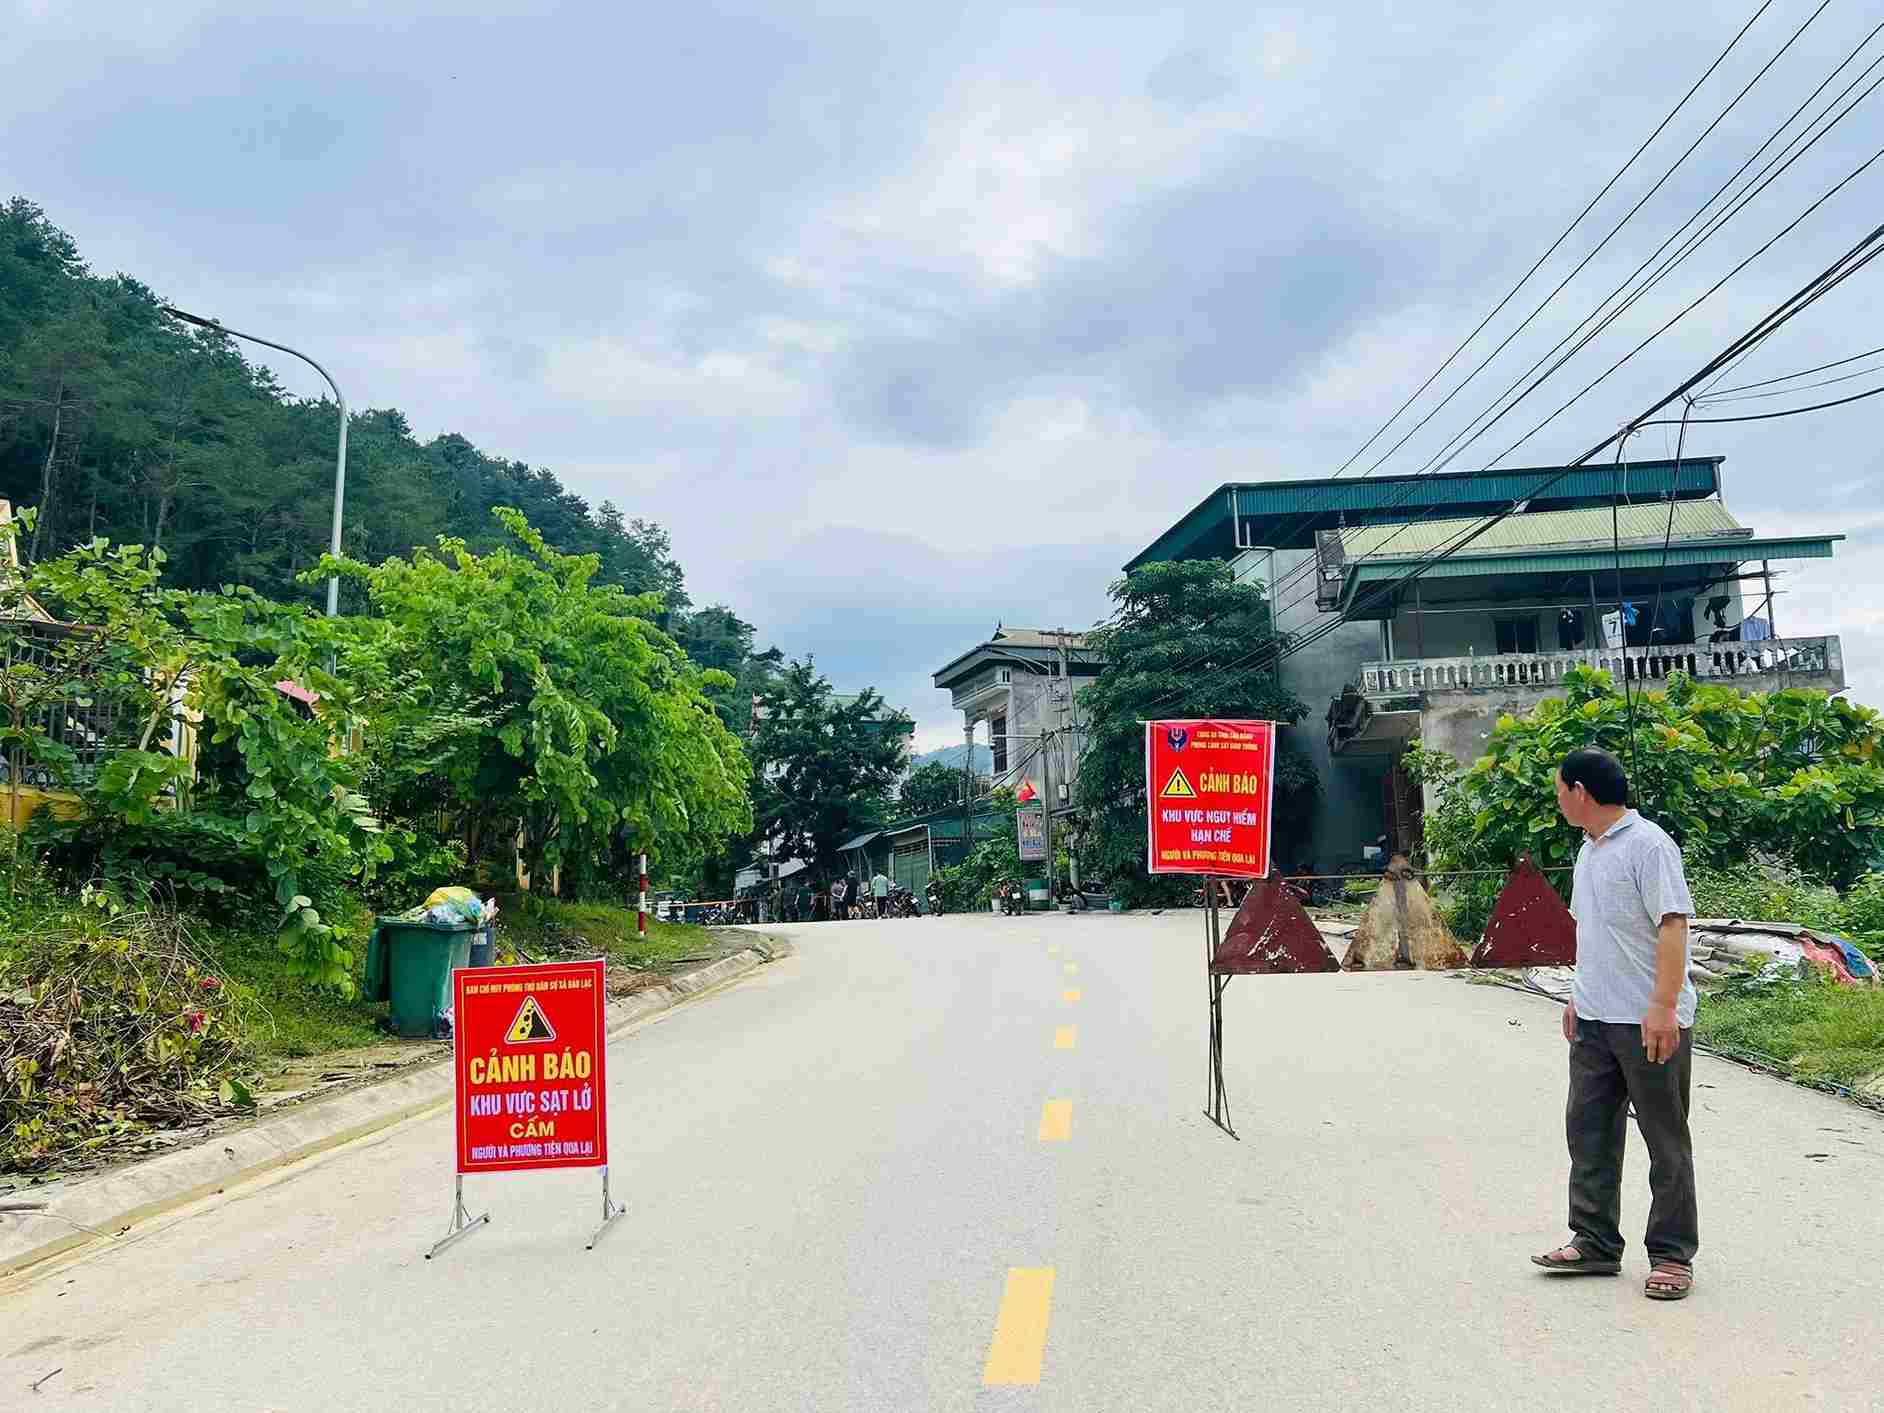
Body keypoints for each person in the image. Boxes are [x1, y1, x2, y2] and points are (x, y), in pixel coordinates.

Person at [1532, 747, 1699, 1302]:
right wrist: (1578, 997)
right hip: (1596, 1020)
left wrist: (1663, 1006)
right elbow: (1593, 932)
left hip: (1647, 1019)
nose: (1557, 800)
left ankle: (1673, 1256)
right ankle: (1595, 1241)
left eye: (1560, 789)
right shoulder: (1589, 851)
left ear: (1581, 791)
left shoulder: (1649, 846)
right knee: (1589, 1131)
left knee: (1664, 1139)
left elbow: (1672, 927)